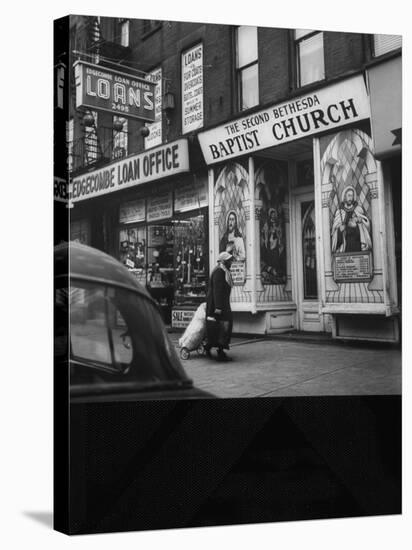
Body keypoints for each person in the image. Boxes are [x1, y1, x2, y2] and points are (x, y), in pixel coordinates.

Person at [205, 251, 234, 362]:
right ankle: (220, 351)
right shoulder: (219, 272)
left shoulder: (224, 271)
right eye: (229, 261)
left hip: (222, 304)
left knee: (219, 327)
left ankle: (211, 347)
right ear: (223, 261)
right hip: (218, 305)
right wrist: (218, 307)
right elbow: (217, 290)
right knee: (223, 327)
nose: (231, 262)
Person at [331, 186, 372, 253]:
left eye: (352, 196)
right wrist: (339, 231)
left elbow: (366, 228)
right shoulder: (340, 212)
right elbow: (334, 233)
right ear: (344, 196)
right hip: (345, 245)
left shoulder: (358, 210)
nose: (350, 198)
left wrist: (357, 226)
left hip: (357, 243)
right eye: (349, 195)